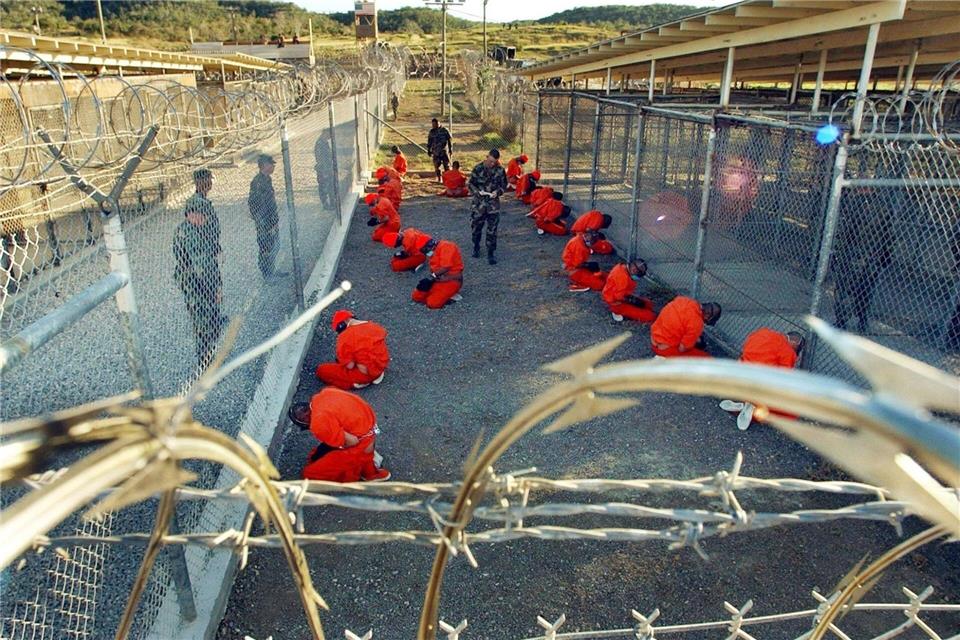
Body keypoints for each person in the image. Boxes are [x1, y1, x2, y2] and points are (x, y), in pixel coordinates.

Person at [289, 388, 391, 482]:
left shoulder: (318, 423)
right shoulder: (324, 394)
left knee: (309, 473)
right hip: (369, 428)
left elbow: (353, 441)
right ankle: (368, 466)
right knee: (320, 452)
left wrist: (338, 446)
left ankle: (363, 465)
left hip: (361, 442)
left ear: (305, 422)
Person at [173, 196, 226, 369]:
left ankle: (209, 354)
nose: (205, 219)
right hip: (197, 283)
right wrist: (215, 288)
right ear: (192, 214)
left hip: (197, 280)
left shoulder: (192, 229)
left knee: (208, 318)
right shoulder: (190, 234)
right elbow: (203, 267)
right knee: (203, 321)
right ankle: (206, 362)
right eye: (202, 216)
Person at [719, 329, 804, 430]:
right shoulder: (788, 352)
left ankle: (746, 403)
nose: (796, 352)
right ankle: (752, 408)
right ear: (794, 343)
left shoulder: (763, 332)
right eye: (797, 349)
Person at [830, 195, 893, 333]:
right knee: (865, 289)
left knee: (845, 288)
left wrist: (837, 253)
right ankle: (862, 320)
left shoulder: (855, 206)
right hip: (872, 255)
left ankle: (842, 320)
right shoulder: (885, 209)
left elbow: (846, 232)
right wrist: (885, 256)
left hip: (853, 254)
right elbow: (889, 236)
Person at [315, 309, 390, 389]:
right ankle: (375, 375)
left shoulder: (345, 337)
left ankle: (357, 383)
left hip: (364, 374)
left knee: (322, 370)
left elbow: (350, 366)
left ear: (342, 325)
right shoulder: (374, 326)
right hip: (381, 367)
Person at [468, 149, 509, 265]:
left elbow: (504, 185)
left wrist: (498, 192)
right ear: (487, 157)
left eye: (494, 162)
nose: (492, 164)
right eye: (490, 161)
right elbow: (470, 184)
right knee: (476, 229)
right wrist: (477, 192)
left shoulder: (500, 170)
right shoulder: (478, 168)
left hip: (493, 206)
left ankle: (491, 253)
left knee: (492, 231)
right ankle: (476, 246)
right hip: (478, 205)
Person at [247, 154, 283, 278]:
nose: (273, 166)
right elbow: (255, 204)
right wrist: (263, 222)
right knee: (265, 247)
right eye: (271, 164)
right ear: (265, 165)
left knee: (274, 245)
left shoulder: (267, 179)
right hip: (264, 221)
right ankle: (266, 273)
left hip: (270, 219)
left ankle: (271, 269)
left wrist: (274, 220)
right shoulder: (257, 182)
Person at [650, 296, 721, 358]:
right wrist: (693, 343)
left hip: (653, 339)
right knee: (706, 358)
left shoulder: (684, 300)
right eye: (708, 320)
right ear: (707, 316)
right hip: (664, 350)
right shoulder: (697, 323)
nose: (706, 322)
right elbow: (682, 349)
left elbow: (681, 321)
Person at [412, 237, 464, 309]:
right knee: (416, 297)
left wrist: (432, 276)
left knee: (432, 304)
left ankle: (450, 296)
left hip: (452, 279)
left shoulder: (447, 247)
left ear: (429, 245)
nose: (425, 253)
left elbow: (446, 267)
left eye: (425, 250)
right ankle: (445, 295)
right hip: (438, 278)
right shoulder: (434, 249)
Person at [185, 169, 220, 260]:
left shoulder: (203, 201)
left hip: (208, 246)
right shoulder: (195, 202)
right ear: (200, 182)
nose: (210, 183)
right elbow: (199, 227)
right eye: (207, 179)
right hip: (201, 249)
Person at [427, 118, 453, 182]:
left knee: (446, 166)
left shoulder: (445, 130)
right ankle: (439, 178)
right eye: (433, 124)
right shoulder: (432, 132)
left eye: (435, 124)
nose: (434, 125)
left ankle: (448, 179)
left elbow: (449, 140)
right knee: (437, 166)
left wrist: (450, 149)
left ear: (439, 123)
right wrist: (429, 150)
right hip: (435, 152)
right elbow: (429, 141)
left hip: (444, 151)